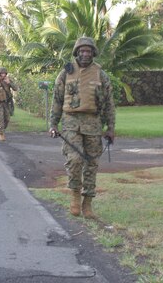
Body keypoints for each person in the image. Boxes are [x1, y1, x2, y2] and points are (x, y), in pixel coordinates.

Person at [49, 37, 115, 219]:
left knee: (92, 164)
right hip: (71, 122)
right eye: (82, 51)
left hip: (93, 123)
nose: (85, 54)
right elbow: (57, 100)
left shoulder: (101, 75)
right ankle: (75, 196)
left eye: (89, 51)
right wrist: (53, 124)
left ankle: (88, 202)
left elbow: (109, 104)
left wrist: (110, 128)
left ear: (93, 53)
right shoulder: (65, 73)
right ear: (77, 52)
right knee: (75, 160)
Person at [0, 67, 18, 141]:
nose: (3, 75)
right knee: (0, 118)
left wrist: (9, 83)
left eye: (4, 73)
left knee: (7, 119)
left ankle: (2, 129)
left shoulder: (8, 80)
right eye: (2, 73)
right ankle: (1, 134)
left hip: (6, 103)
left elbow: (15, 88)